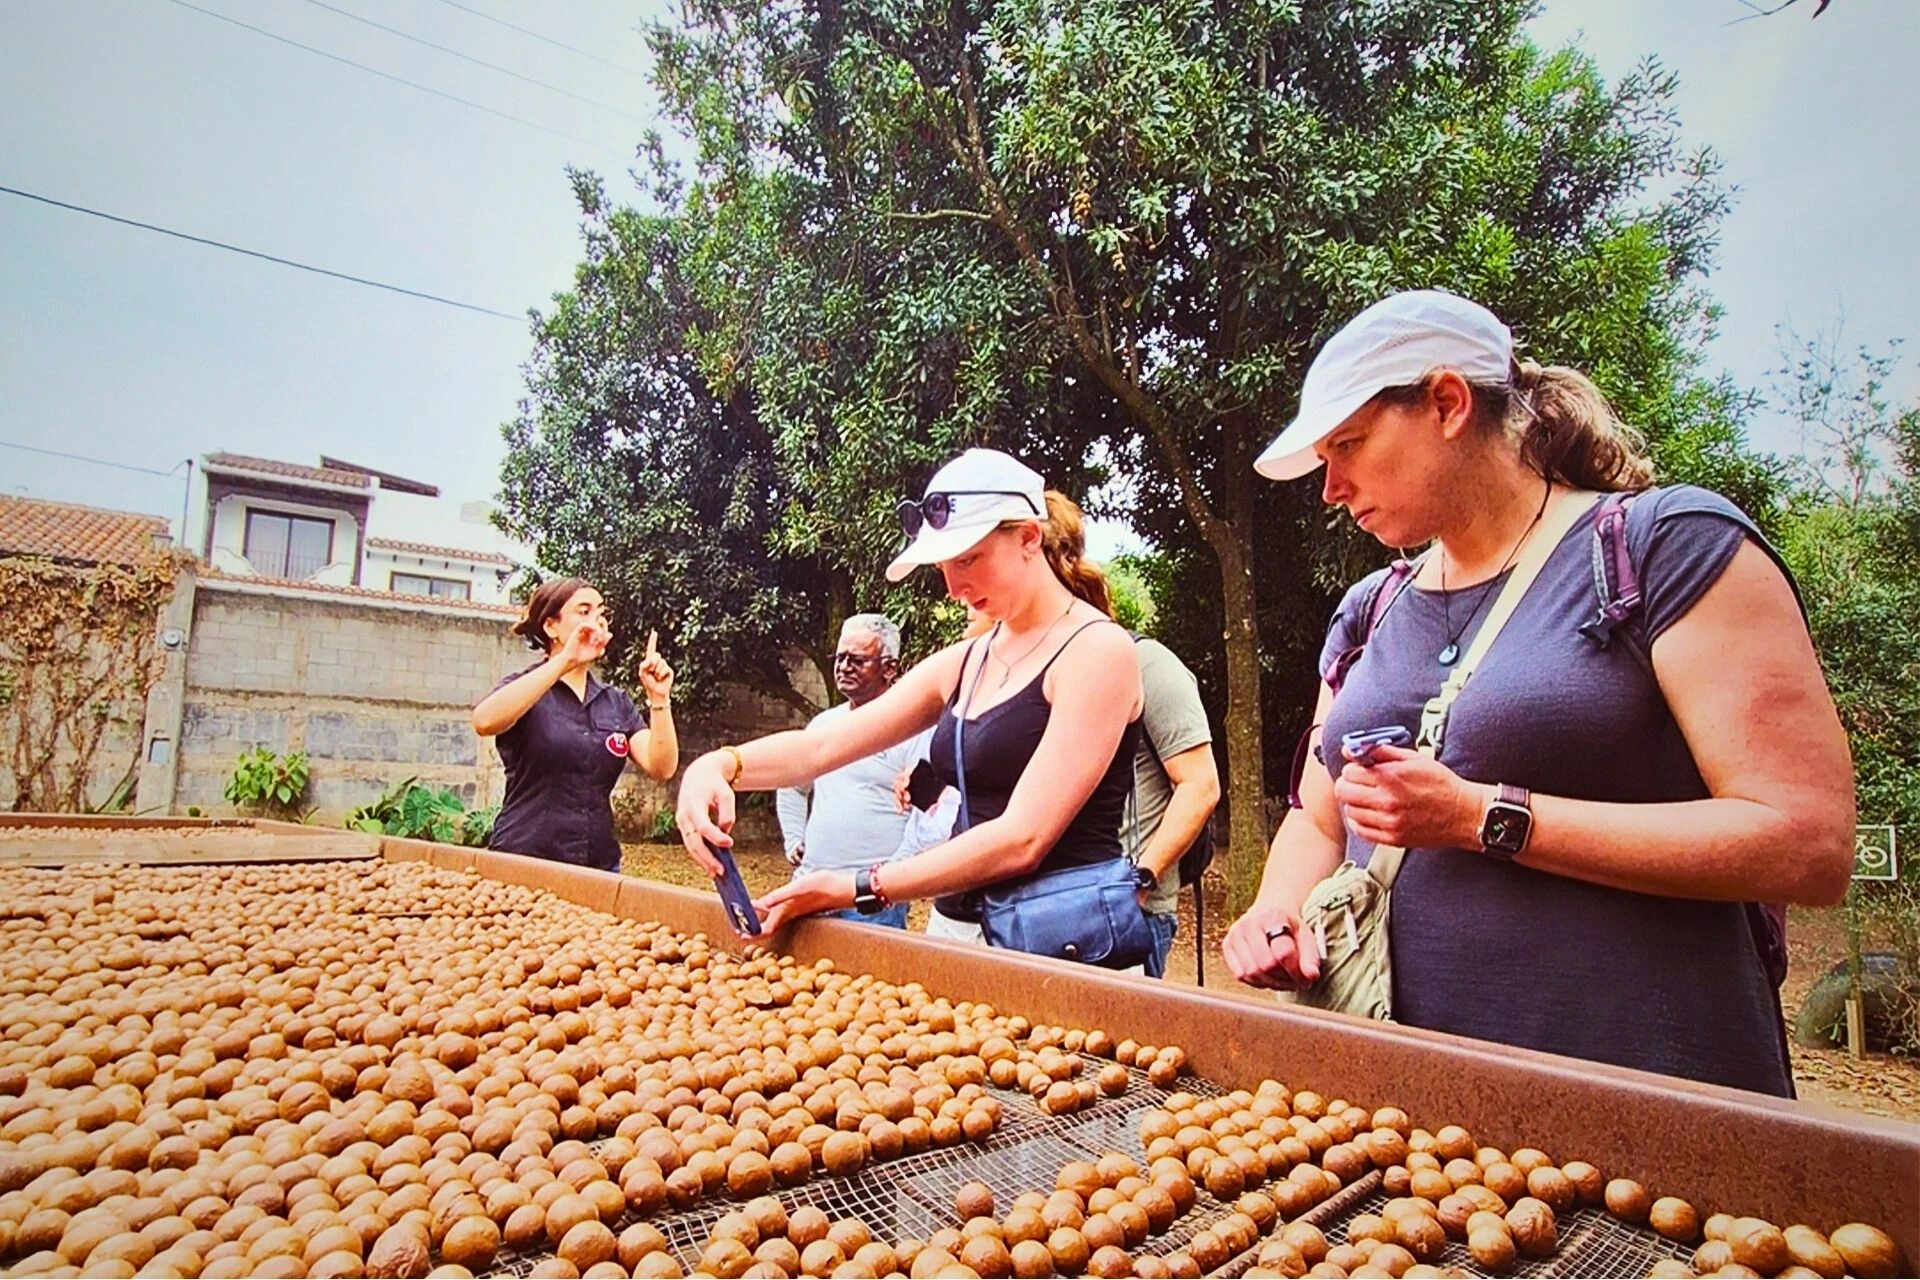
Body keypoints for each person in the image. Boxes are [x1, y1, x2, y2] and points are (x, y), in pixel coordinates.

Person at [1223, 289, 1854, 1096]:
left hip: (1651, 1103)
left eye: (1347, 444)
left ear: (1448, 403)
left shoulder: (1669, 549)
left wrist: (1484, 817)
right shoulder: (1369, 611)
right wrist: (1277, 909)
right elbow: (1323, 814)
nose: (1330, 486)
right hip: (1408, 1113)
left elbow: (1806, 842)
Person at [674, 449, 1146, 961]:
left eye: (967, 559)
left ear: (1029, 537)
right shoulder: (968, 661)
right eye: (944, 565)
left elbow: (1022, 837)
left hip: (1065, 945)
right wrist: (720, 765)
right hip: (960, 934)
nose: (953, 586)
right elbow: (822, 746)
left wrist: (861, 884)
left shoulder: (1097, 651)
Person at [473, 577, 677, 873]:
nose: (597, 621)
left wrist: (659, 699)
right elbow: (484, 720)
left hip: (598, 866)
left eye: (601, 613)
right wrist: (566, 660)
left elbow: (662, 766)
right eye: (584, 612)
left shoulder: (615, 702)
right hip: (524, 861)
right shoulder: (527, 689)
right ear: (551, 627)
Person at [774, 614, 924, 928]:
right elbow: (792, 785)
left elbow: (926, 816)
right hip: (810, 887)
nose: (843, 667)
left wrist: (891, 876)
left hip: (871, 900)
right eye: (840, 658)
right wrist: (794, 837)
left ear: (890, 668)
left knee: (867, 978)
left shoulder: (913, 729)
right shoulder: (824, 725)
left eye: (856, 660)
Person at [1123, 637, 1221, 979]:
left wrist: (1138, 880)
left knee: (1123, 1032)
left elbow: (1201, 786)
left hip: (1134, 911)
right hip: (1058, 903)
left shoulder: (1148, 663)